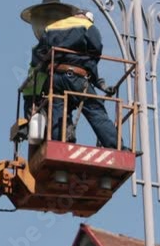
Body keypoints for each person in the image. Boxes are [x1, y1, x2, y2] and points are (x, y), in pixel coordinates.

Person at [32, 9, 122, 149]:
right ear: (88, 17)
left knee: (57, 110)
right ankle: (116, 146)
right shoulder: (87, 25)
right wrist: (87, 66)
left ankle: (58, 144)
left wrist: (48, 67)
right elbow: (96, 48)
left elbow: (38, 54)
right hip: (76, 77)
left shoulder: (52, 27)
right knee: (95, 109)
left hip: (53, 78)